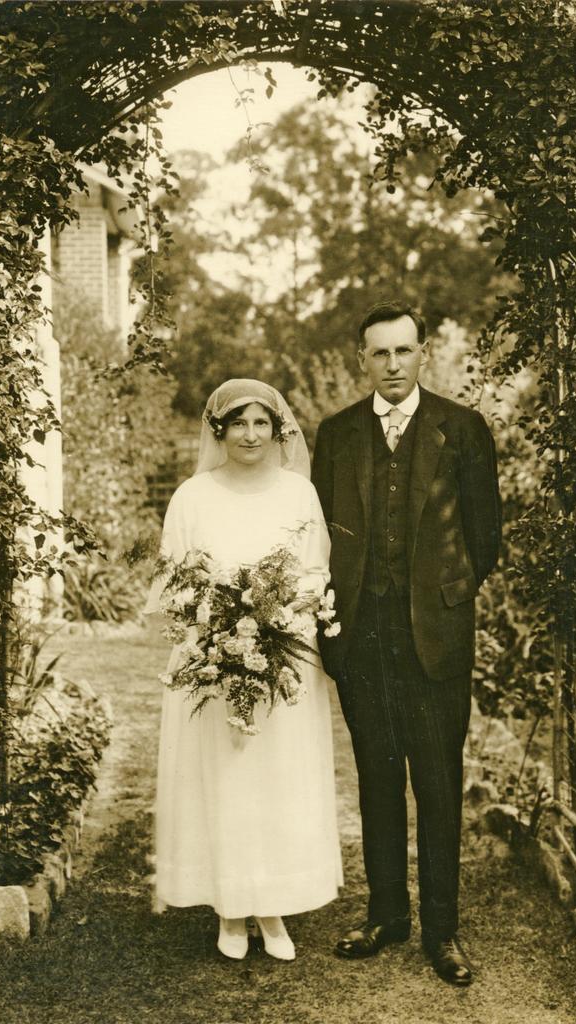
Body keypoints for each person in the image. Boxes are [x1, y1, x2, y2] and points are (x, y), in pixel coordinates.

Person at [311, 301, 501, 985]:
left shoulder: (463, 429)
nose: (392, 365)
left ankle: (442, 932)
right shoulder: (335, 435)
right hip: (362, 640)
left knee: (439, 784)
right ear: (363, 360)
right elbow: (322, 532)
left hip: (436, 640)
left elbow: (485, 538)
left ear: (422, 354)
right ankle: (387, 915)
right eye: (379, 354)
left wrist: (441, 599)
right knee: (378, 779)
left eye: (403, 351)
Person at [144, 379, 342, 962]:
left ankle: (272, 906)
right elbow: (173, 582)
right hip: (210, 664)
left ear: (277, 429)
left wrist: (276, 624)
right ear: (219, 430)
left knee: (275, 781)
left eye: (261, 423)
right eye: (237, 423)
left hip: (279, 664)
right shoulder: (192, 497)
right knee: (224, 779)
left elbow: (314, 574)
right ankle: (231, 908)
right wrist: (214, 636)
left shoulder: (298, 495)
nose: (250, 435)